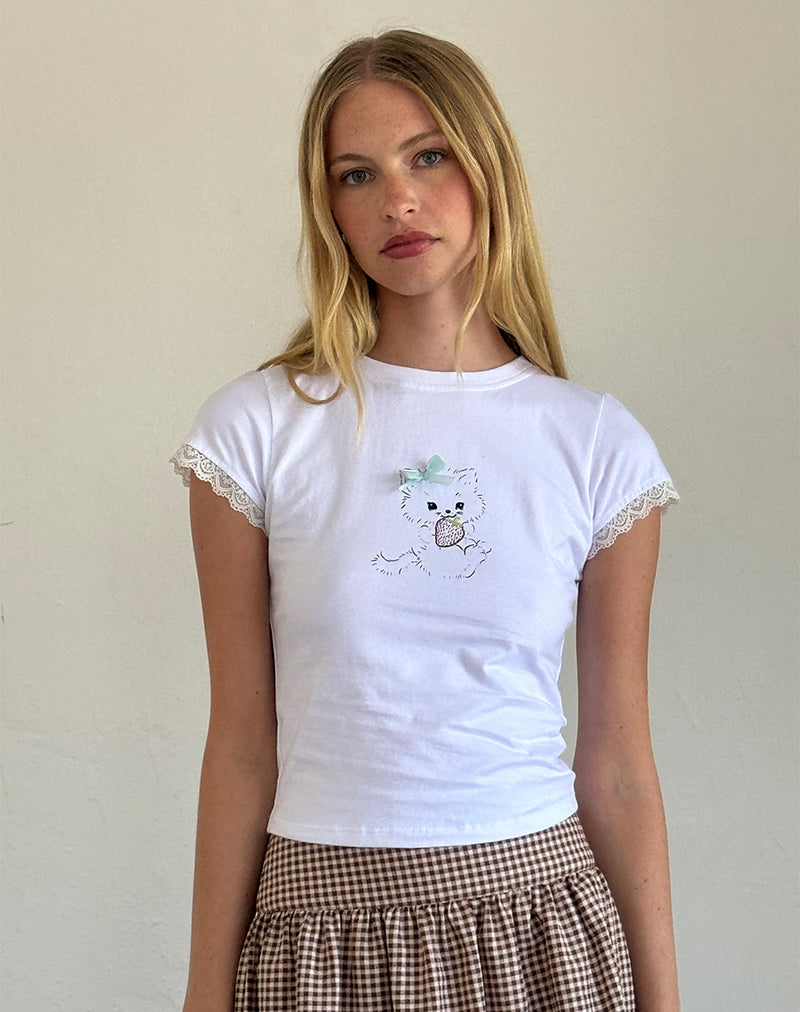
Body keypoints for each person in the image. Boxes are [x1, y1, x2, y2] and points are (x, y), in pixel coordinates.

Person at [171, 29, 680, 1012]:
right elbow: (240, 744)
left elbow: (618, 764)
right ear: (328, 208)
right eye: (356, 174)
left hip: (540, 929)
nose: (397, 200)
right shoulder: (255, 431)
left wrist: (663, 1000)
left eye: (428, 156)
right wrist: (204, 992)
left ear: (487, 164)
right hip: (321, 930)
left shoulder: (596, 444)